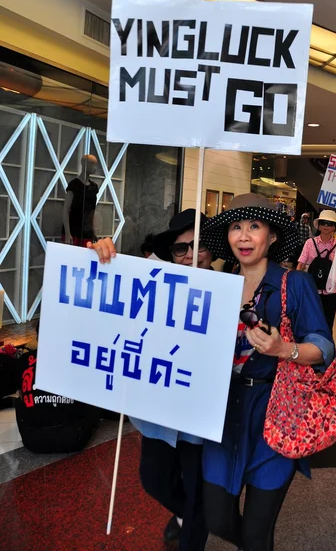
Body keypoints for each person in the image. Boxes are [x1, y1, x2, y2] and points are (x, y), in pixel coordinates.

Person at [200, 193, 335, 551]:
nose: (243, 236)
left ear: (272, 236)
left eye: (254, 226)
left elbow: (324, 347)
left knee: (259, 532)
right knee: (216, 516)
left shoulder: (296, 284)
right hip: (223, 414)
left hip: (276, 414)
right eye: (236, 227)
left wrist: (283, 350)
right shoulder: (217, 282)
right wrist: (103, 254)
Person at [88, 209, 211, 551]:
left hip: (202, 419)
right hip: (160, 414)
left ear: (212, 249)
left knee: (197, 492)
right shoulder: (155, 285)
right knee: (154, 480)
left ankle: (192, 526)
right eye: (180, 249)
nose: (189, 255)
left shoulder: (233, 285)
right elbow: (107, 300)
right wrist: (99, 257)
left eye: (197, 246)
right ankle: (186, 513)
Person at [14, 324, 100, 453]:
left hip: (31, 441)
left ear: (37, 338)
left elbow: (21, 392)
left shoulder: (24, 360)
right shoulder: (75, 357)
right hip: (74, 438)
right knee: (90, 399)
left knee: (18, 401)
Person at [297, 209, 336, 331]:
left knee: (328, 322)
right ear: (319, 225)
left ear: (334, 227)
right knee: (310, 321)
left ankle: (327, 346)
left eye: (330, 224)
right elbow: (301, 263)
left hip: (331, 291)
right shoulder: (310, 243)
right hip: (311, 289)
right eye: (323, 223)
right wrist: (295, 282)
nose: (326, 226)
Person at [62, 155, 99, 247]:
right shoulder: (74, 185)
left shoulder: (93, 187)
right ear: (84, 163)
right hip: (73, 230)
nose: (94, 167)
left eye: (95, 164)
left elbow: (92, 211)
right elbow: (66, 209)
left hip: (87, 231)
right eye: (92, 164)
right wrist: (67, 232)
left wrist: (93, 231)